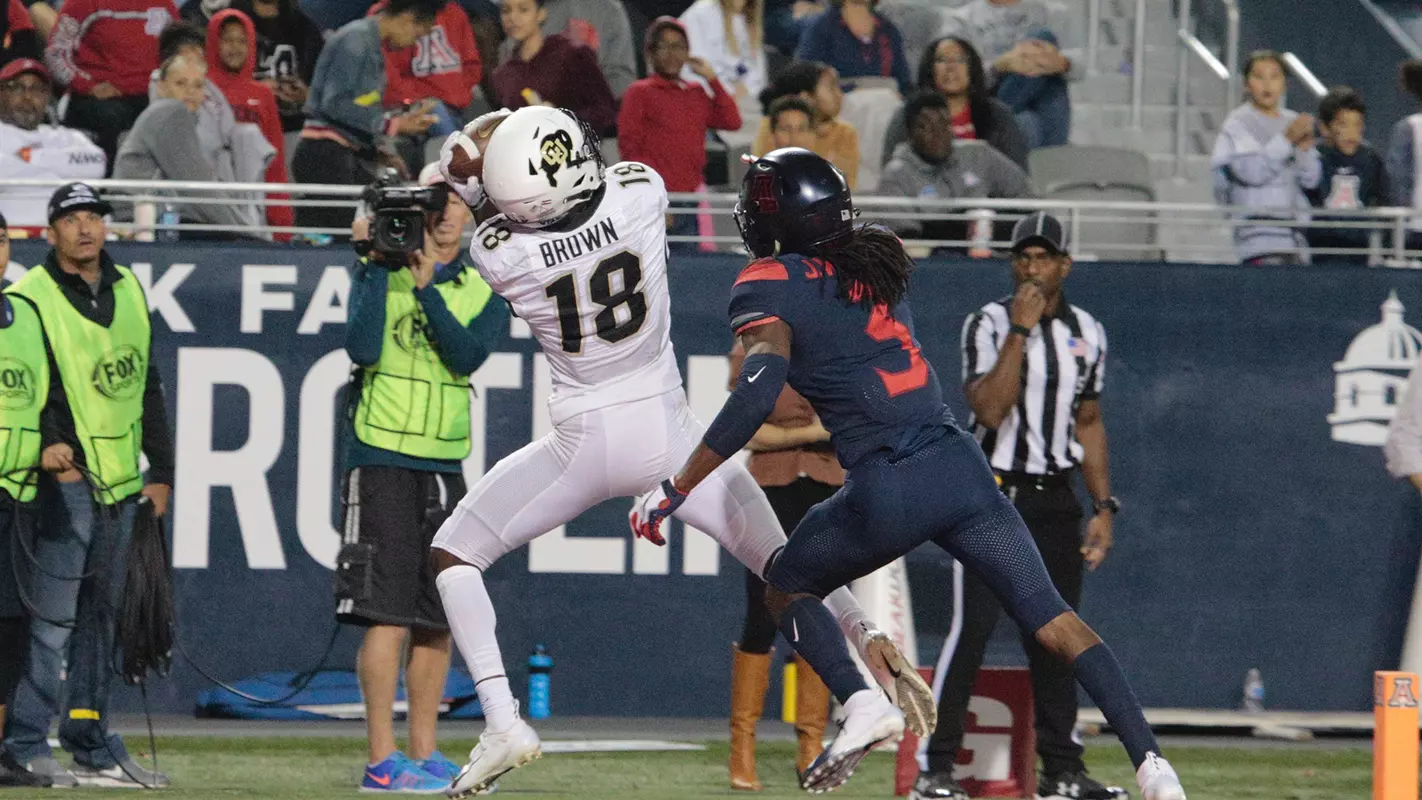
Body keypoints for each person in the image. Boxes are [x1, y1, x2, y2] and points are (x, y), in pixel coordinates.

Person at [629, 148, 1189, 800]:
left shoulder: (768, 280)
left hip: (887, 483)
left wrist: (677, 486)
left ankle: (862, 703)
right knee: (1053, 620)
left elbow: (756, 393)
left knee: (786, 584)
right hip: (960, 469)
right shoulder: (880, 252)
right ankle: (1153, 766)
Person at [429, 106, 932, 797]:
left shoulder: (499, 253)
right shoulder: (640, 191)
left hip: (584, 441)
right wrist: (505, 156)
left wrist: (464, 174)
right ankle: (862, 678)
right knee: (781, 561)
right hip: (669, 430)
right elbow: (569, 185)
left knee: (455, 555)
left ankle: (502, 720)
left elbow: (500, 210)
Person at [912, 211, 1125, 800]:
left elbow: (1089, 421)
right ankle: (935, 767)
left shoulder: (1088, 331)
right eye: (1023, 257)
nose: (1032, 268)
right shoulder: (988, 322)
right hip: (993, 495)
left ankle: (1062, 771)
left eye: (1043, 257)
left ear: (1065, 265)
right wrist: (1020, 332)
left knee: (1058, 635)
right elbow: (989, 409)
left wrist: (1103, 506)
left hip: (1056, 496)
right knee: (972, 630)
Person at [341, 162, 508, 793]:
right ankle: (382, 761)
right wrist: (371, 265)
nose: (444, 214)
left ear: (469, 210)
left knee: (437, 618)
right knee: (386, 614)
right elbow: (361, 348)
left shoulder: (483, 283)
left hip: (443, 460)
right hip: (381, 454)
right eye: (432, 204)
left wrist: (427, 289)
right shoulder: (379, 271)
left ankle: (426, 752)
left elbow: (468, 355)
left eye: (454, 202)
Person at [2, 182, 174, 789]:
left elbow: (147, 382)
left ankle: (89, 737)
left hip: (121, 480)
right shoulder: (30, 295)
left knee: (103, 617)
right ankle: (25, 740)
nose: (85, 229)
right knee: (50, 621)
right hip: (63, 482)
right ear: (50, 231)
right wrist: (55, 451)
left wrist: (163, 471)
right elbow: (29, 386)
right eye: (72, 219)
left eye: (93, 217)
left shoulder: (128, 288)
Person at [724, 338, 842, 790]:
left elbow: (850, 423)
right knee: (762, 610)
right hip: (769, 491)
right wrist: (812, 433)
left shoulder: (839, 343)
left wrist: (794, 435)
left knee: (817, 613)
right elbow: (748, 431)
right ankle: (742, 747)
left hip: (828, 490)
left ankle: (811, 745)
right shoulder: (754, 346)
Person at [292, 0, 445, 231]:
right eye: (418, 35)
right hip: (325, 157)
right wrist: (393, 124)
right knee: (346, 237)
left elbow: (358, 109)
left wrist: (379, 151)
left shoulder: (369, 43)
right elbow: (335, 104)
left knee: (359, 232)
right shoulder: (356, 40)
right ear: (407, 19)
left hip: (339, 156)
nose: (414, 43)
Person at [0, 217, 56, 790]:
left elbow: (43, 398)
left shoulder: (24, 316)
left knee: (10, 629)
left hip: (16, 496)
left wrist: (50, 445)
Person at [618, 16, 741, 252]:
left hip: (692, 200)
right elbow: (630, 150)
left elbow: (732, 121)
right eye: (663, 46)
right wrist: (655, 201)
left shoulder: (695, 93)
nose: (672, 53)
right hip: (659, 202)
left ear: (688, 52)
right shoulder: (639, 92)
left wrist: (712, 79)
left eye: (679, 46)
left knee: (691, 267)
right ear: (650, 52)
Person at [117, 53, 272, 236]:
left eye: (198, 85)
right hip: (143, 223)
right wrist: (248, 235)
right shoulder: (169, 112)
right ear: (162, 87)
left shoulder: (178, 119)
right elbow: (198, 188)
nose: (190, 91)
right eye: (180, 83)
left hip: (154, 218)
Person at [878, 90, 1031, 249]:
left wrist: (990, 217)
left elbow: (1026, 199)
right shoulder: (896, 175)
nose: (938, 133)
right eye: (925, 126)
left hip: (993, 253)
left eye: (944, 124)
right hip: (936, 259)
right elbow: (906, 240)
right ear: (910, 134)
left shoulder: (980, 154)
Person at [1211, 50, 1322, 266]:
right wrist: (1286, 140)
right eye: (1259, 77)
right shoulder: (1237, 123)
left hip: (1295, 240)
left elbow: (1311, 179)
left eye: (1274, 76)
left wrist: (1304, 151)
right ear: (1246, 84)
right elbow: (1251, 172)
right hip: (1256, 239)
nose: (1267, 84)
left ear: (1284, 84)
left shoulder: (1293, 121)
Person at [45, 0, 180, 173]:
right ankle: (110, 185)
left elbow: (180, 50)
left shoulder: (165, 4)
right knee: (115, 117)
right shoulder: (83, 3)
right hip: (97, 97)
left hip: (151, 94)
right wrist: (89, 86)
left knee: (177, 113)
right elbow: (55, 54)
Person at [208, 8, 295, 235]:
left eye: (242, 41)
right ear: (214, 42)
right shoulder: (201, 89)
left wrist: (281, 223)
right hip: (211, 202)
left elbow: (274, 162)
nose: (235, 48)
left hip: (253, 203)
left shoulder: (263, 94)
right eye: (227, 40)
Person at [881, 36, 1027, 171]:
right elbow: (892, 175)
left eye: (960, 59)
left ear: (972, 69)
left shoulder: (998, 116)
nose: (951, 67)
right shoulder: (907, 115)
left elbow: (1018, 176)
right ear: (930, 70)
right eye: (942, 60)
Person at [946, 0, 1077, 150]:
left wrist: (1062, 63)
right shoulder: (960, 20)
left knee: (1028, 120)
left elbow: (1080, 64)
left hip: (1028, 109)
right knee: (1026, 123)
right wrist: (999, 66)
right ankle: (1052, 158)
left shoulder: (1054, 12)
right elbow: (953, 74)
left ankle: (997, 118)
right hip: (986, 95)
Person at [0, 59, 106, 230]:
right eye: (18, 88)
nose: (28, 97)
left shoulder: (66, 137)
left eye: (37, 89)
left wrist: (33, 157)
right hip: (14, 234)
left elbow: (97, 164)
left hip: (69, 234)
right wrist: (64, 169)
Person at [490, 0, 617, 135]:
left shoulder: (572, 55)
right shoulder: (503, 74)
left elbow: (606, 111)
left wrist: (561, 118)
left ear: (541, 14)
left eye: (523, 10)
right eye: (506, 11)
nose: (513, 18)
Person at [1302, 87, 1387, 264]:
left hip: (1359, 254)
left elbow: (1385, 200)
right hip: (1318, 254)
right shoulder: (1315, 157)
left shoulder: (1370, 159)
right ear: (1324, 127)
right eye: (1343, 124)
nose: (1351, 132)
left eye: (1357, 124)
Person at [494, 0, 637, 98]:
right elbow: (510, 70)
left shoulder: (609, 9)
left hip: (596, 123)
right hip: (534, 118)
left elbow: (622, 77)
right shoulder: (525, 7)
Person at [752, 61, 858, 187]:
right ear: (806, 97)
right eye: (831, 87)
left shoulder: (845, 132)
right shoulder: (771, 126)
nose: (840, 94)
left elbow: (846, 185)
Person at [229, 0, 326, 133]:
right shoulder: (228, 23)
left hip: (292, 129)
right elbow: (213, 82)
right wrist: (255, 90)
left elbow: (322, 90)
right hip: (237, 128)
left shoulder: (306, 29)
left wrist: (304, 95)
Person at [794, 0, 910, 95]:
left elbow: (904, 82)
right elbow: (805, 79)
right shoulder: (820, 27)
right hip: (838, 106)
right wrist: (849, 90)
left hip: (886, 104)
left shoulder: (889, 30)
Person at [679, 0, 766, 109]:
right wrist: (728, 92)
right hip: (702, 101)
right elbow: (693, 67)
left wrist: (745, 90)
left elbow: (756, 74)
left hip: (740, 102)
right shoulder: (700, 13)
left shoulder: (748, 21)